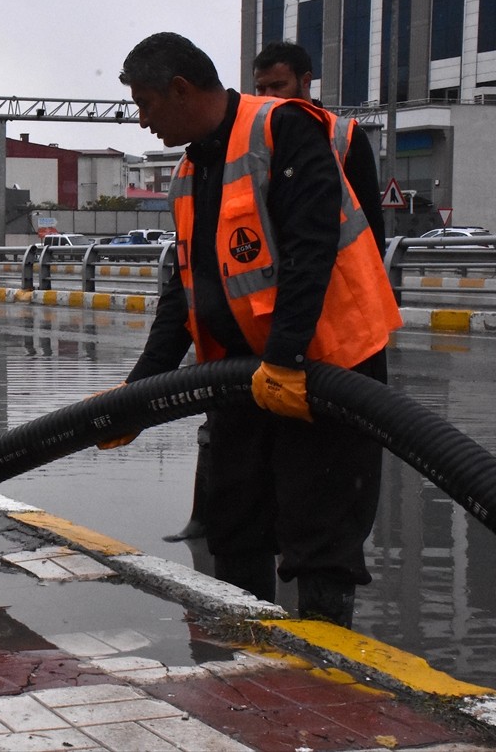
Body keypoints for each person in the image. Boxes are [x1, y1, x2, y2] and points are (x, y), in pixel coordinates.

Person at [108, 32, 402, 627]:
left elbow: (310, 249)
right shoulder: (189, 172)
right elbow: (184, 295)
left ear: (181, 90)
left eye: (145, 104)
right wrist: (135, 396)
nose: (141, 121)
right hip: (244, 375)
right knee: (235, 520)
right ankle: (248, 666)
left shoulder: (284, 131)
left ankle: (325, 675)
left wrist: (289, 359)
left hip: (325, 369)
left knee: (318, 530)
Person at [252, 40, 386, 255]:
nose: (268, 97)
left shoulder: (345, 138)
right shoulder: (252, 141)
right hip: (278, 275)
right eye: (260, 88)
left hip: (335, 273)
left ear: (305, 81)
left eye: (278, 86)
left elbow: (370, 224)